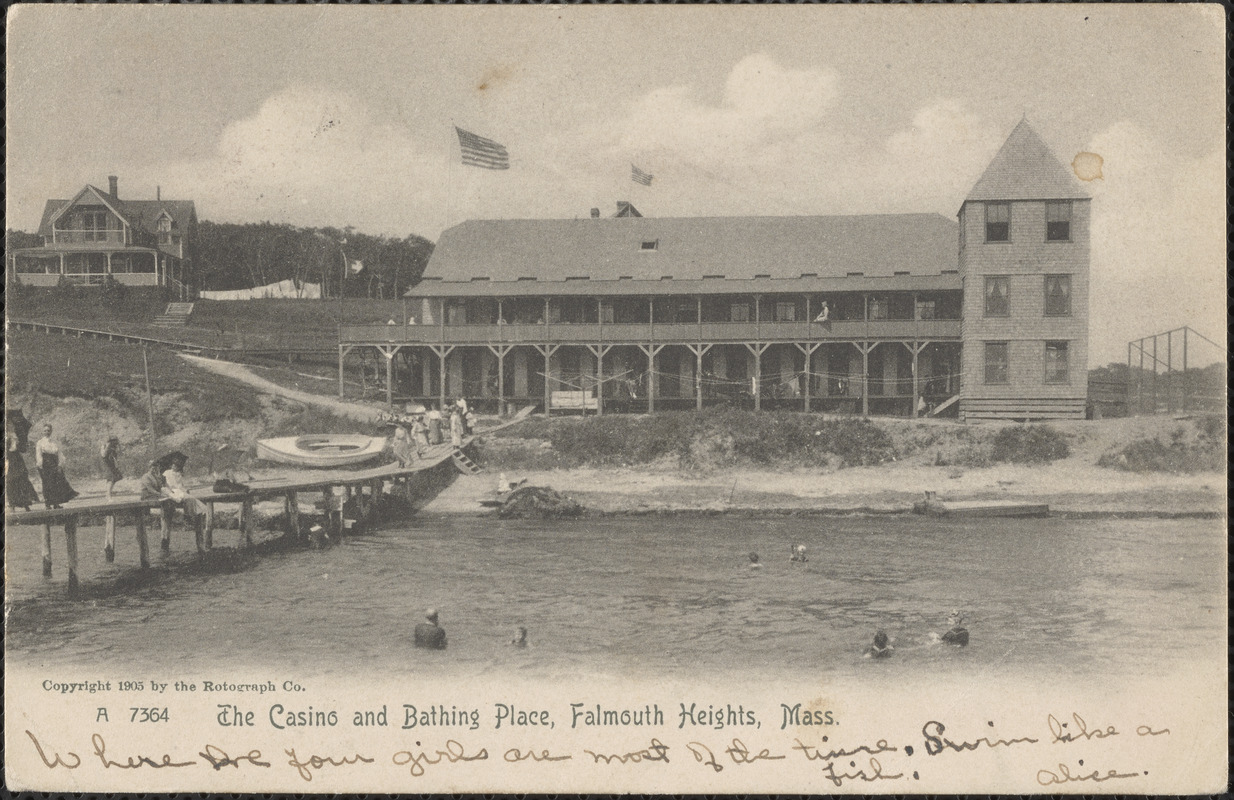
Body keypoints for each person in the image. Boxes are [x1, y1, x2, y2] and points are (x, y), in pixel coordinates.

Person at [35, 424, 78, 509]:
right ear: (42, 432)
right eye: (45, 430)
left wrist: (60, 465)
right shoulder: (40, 442)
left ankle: (56, 503)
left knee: (56, 483)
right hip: (46, 464)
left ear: (51, 431)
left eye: (48, 430)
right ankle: (47, 504)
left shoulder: (55, 442)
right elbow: (38, 454)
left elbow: (59, 454)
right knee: (47, 483)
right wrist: (40, 464)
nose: (47, 432)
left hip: (54, 463)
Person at [5, 425, 39, 511]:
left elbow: (23, 450)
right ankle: (12, 505)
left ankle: (26, 504)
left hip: (18, 461)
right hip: (9, 461)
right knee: (11, 482)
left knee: (23, 480)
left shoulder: (16, 437)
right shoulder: (5, 438)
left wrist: (19, 442)